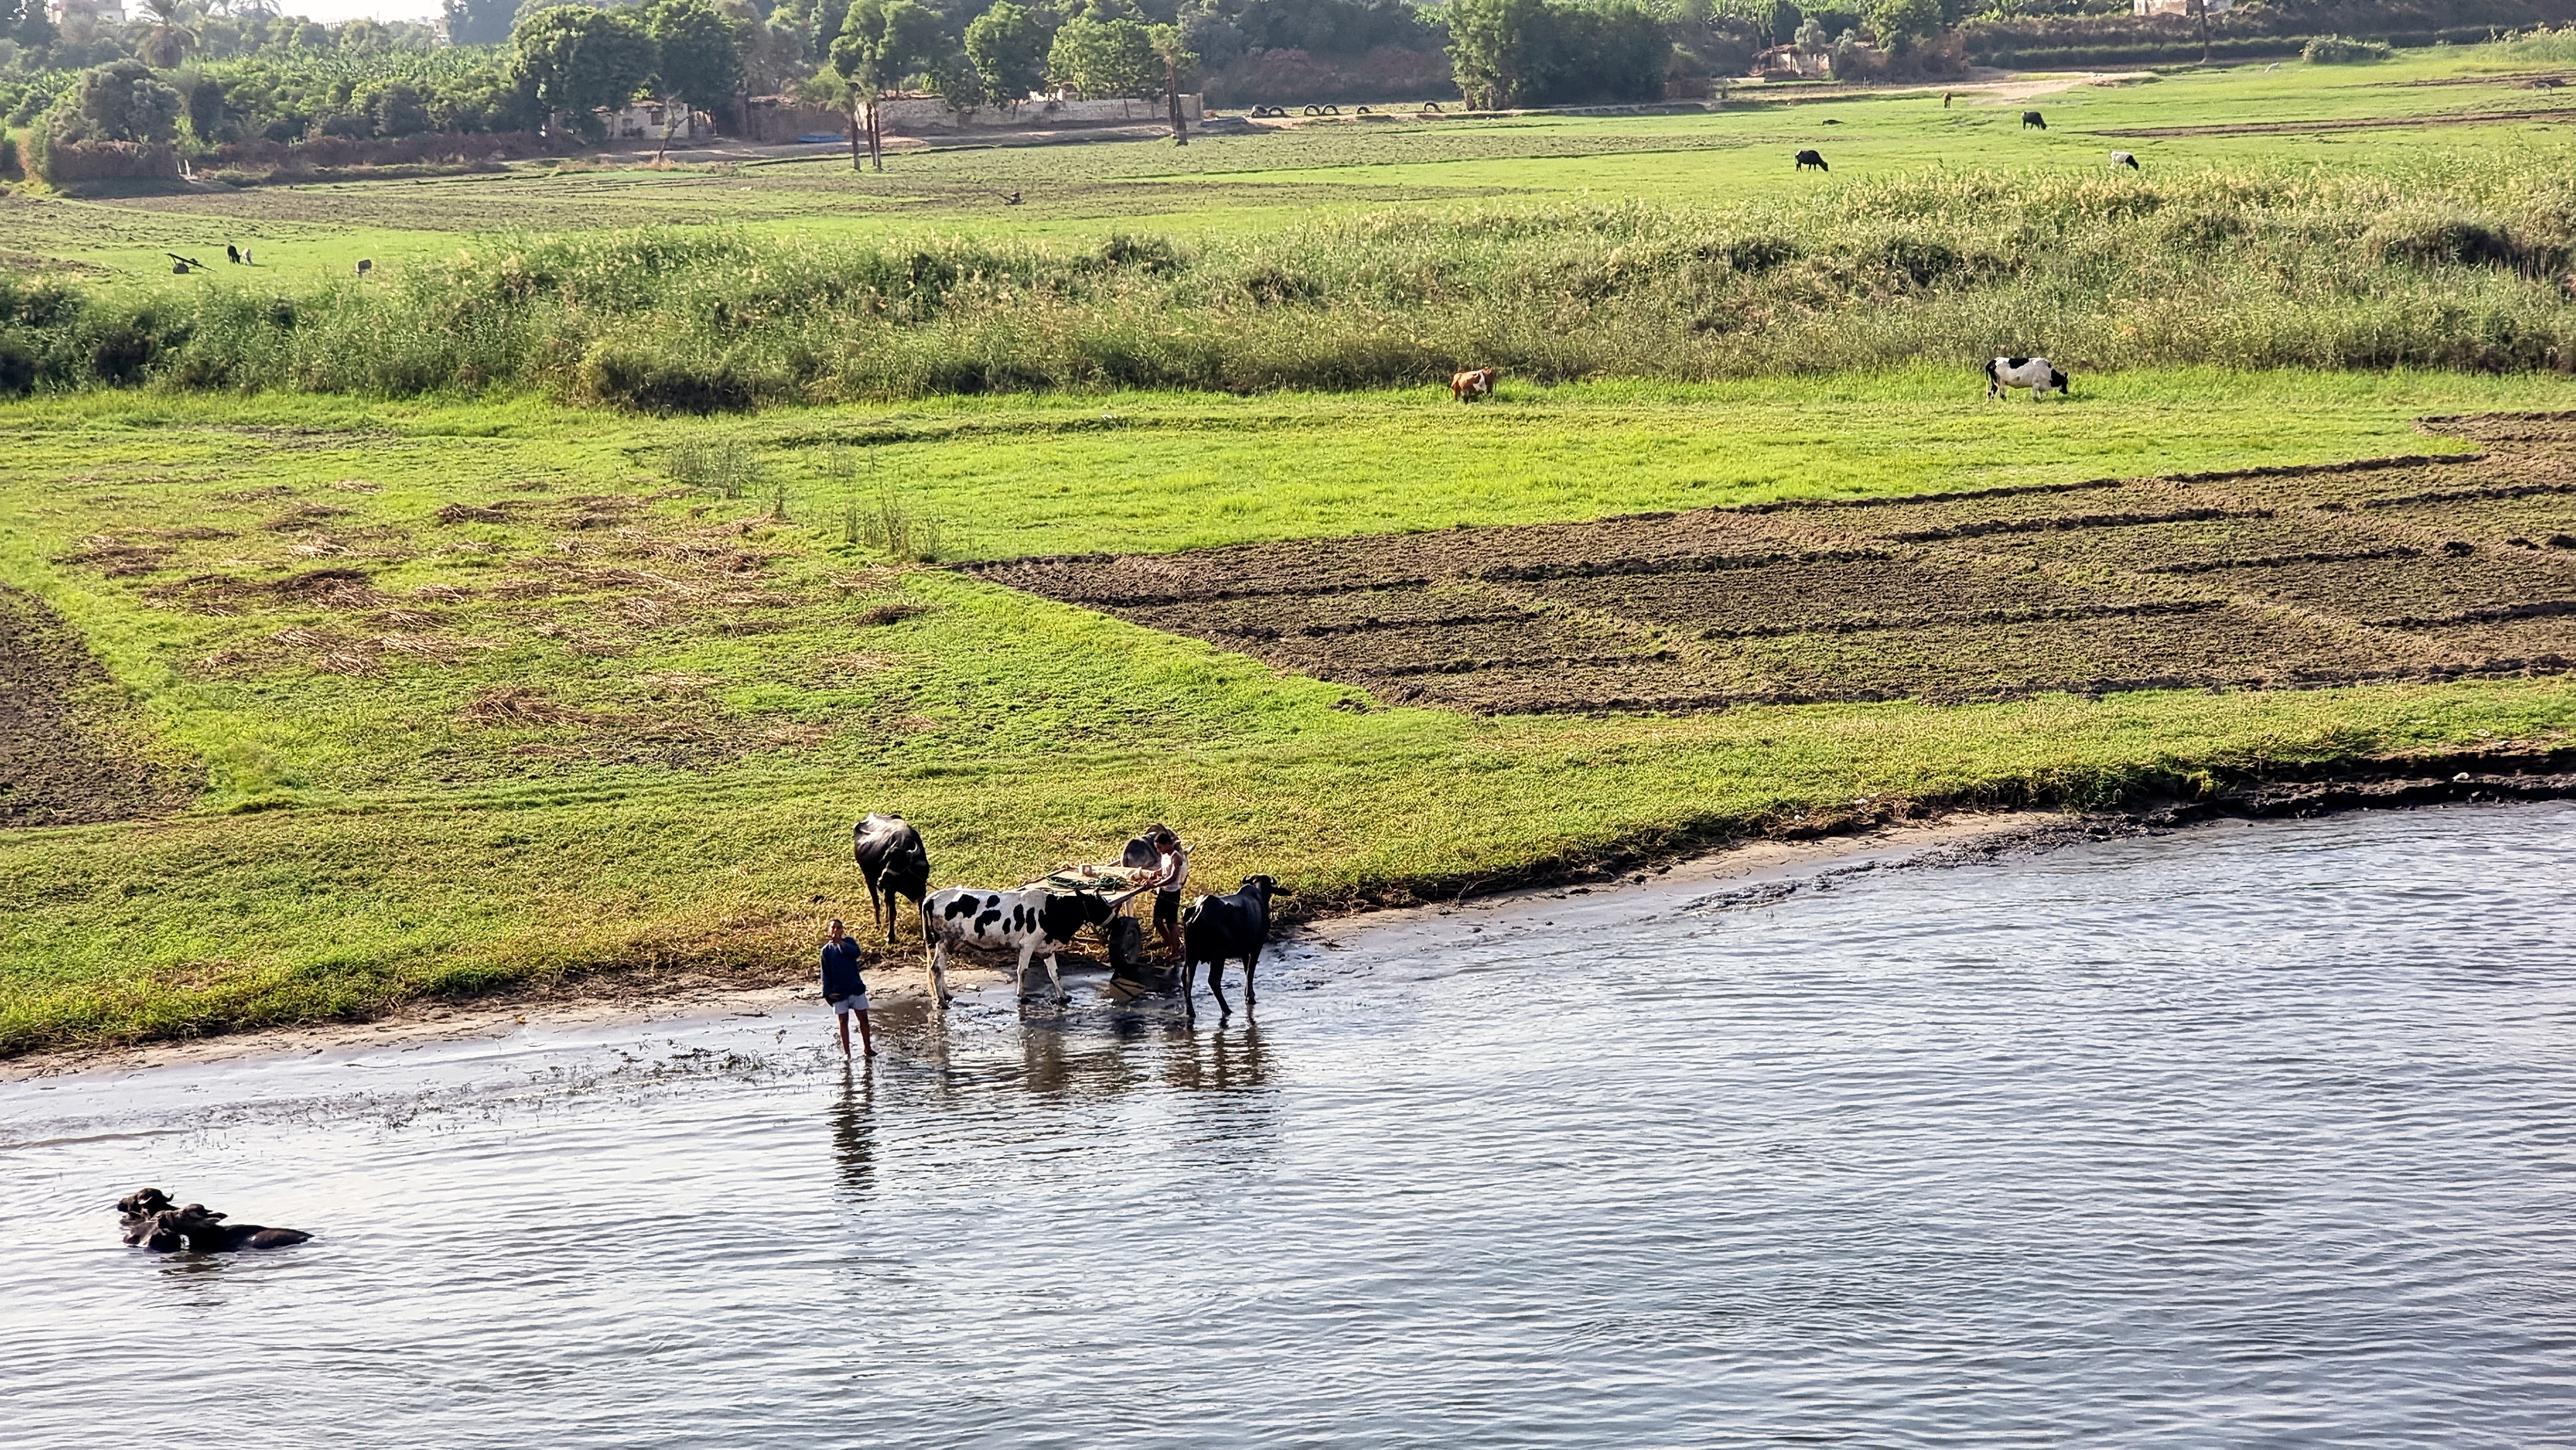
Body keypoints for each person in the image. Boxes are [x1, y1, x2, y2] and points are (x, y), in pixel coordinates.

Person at [820, 919, 873, 1058]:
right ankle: (847, 1053)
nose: (836, 930)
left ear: (842, 930)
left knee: (863, 1018)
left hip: (855, 987)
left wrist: (842, 944)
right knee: (843, 1021)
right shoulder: (826, 951)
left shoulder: (849, 942)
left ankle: (868, 1048)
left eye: (839, 928)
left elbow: (857, 953)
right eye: (833, 928)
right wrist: (828, 993)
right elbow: (825, 973)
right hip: (839, 991)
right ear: (829, 931)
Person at [1147, 823, 1190, 962]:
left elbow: (1172, 877)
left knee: (1171, 923)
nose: (1159, 850)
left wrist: (1156, 884)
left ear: (1168, 844)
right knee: (1157, 921)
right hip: (1163, 892)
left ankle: (1175, 952)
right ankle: (1171, 944)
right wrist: (1156, 873)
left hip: (1172, 893)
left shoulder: (1176, 857)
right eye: (1157, 848)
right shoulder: (1165, 856)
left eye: (1160, 847)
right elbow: (1164, 870)